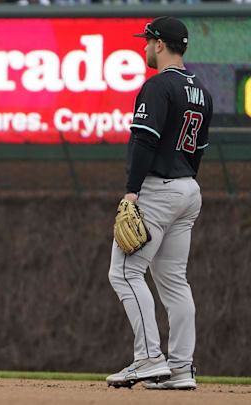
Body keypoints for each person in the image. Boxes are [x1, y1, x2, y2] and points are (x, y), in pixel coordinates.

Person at [106, 16, 212, 390]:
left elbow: (144, 141)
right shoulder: (202, 90)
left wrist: (132, 190)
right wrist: (184, 181)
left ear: (161, 44)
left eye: (148, 41)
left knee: (124, 272)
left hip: (158, 189)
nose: (145, 47)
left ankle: (149, 357)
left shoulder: (158, 86)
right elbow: (198, 150)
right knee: (174, 282)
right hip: (188, 189)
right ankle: (181, 369)